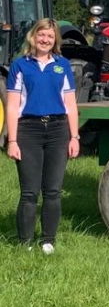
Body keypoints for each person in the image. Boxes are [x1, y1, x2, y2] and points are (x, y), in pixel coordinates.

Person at [5, 18, 80, 254]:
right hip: (28, 131)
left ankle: (48, 240)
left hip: (58, 130)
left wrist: (74, 137)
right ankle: (25, 242)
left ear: (55, 40)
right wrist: (13, 140)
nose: (45, 40)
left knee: (53, 191)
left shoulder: (62, 65)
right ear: (33, 37)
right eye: (41, 35)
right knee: (29, 192)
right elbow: (12, 105)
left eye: (50, 36)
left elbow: (70, 103)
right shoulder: (20, 65)